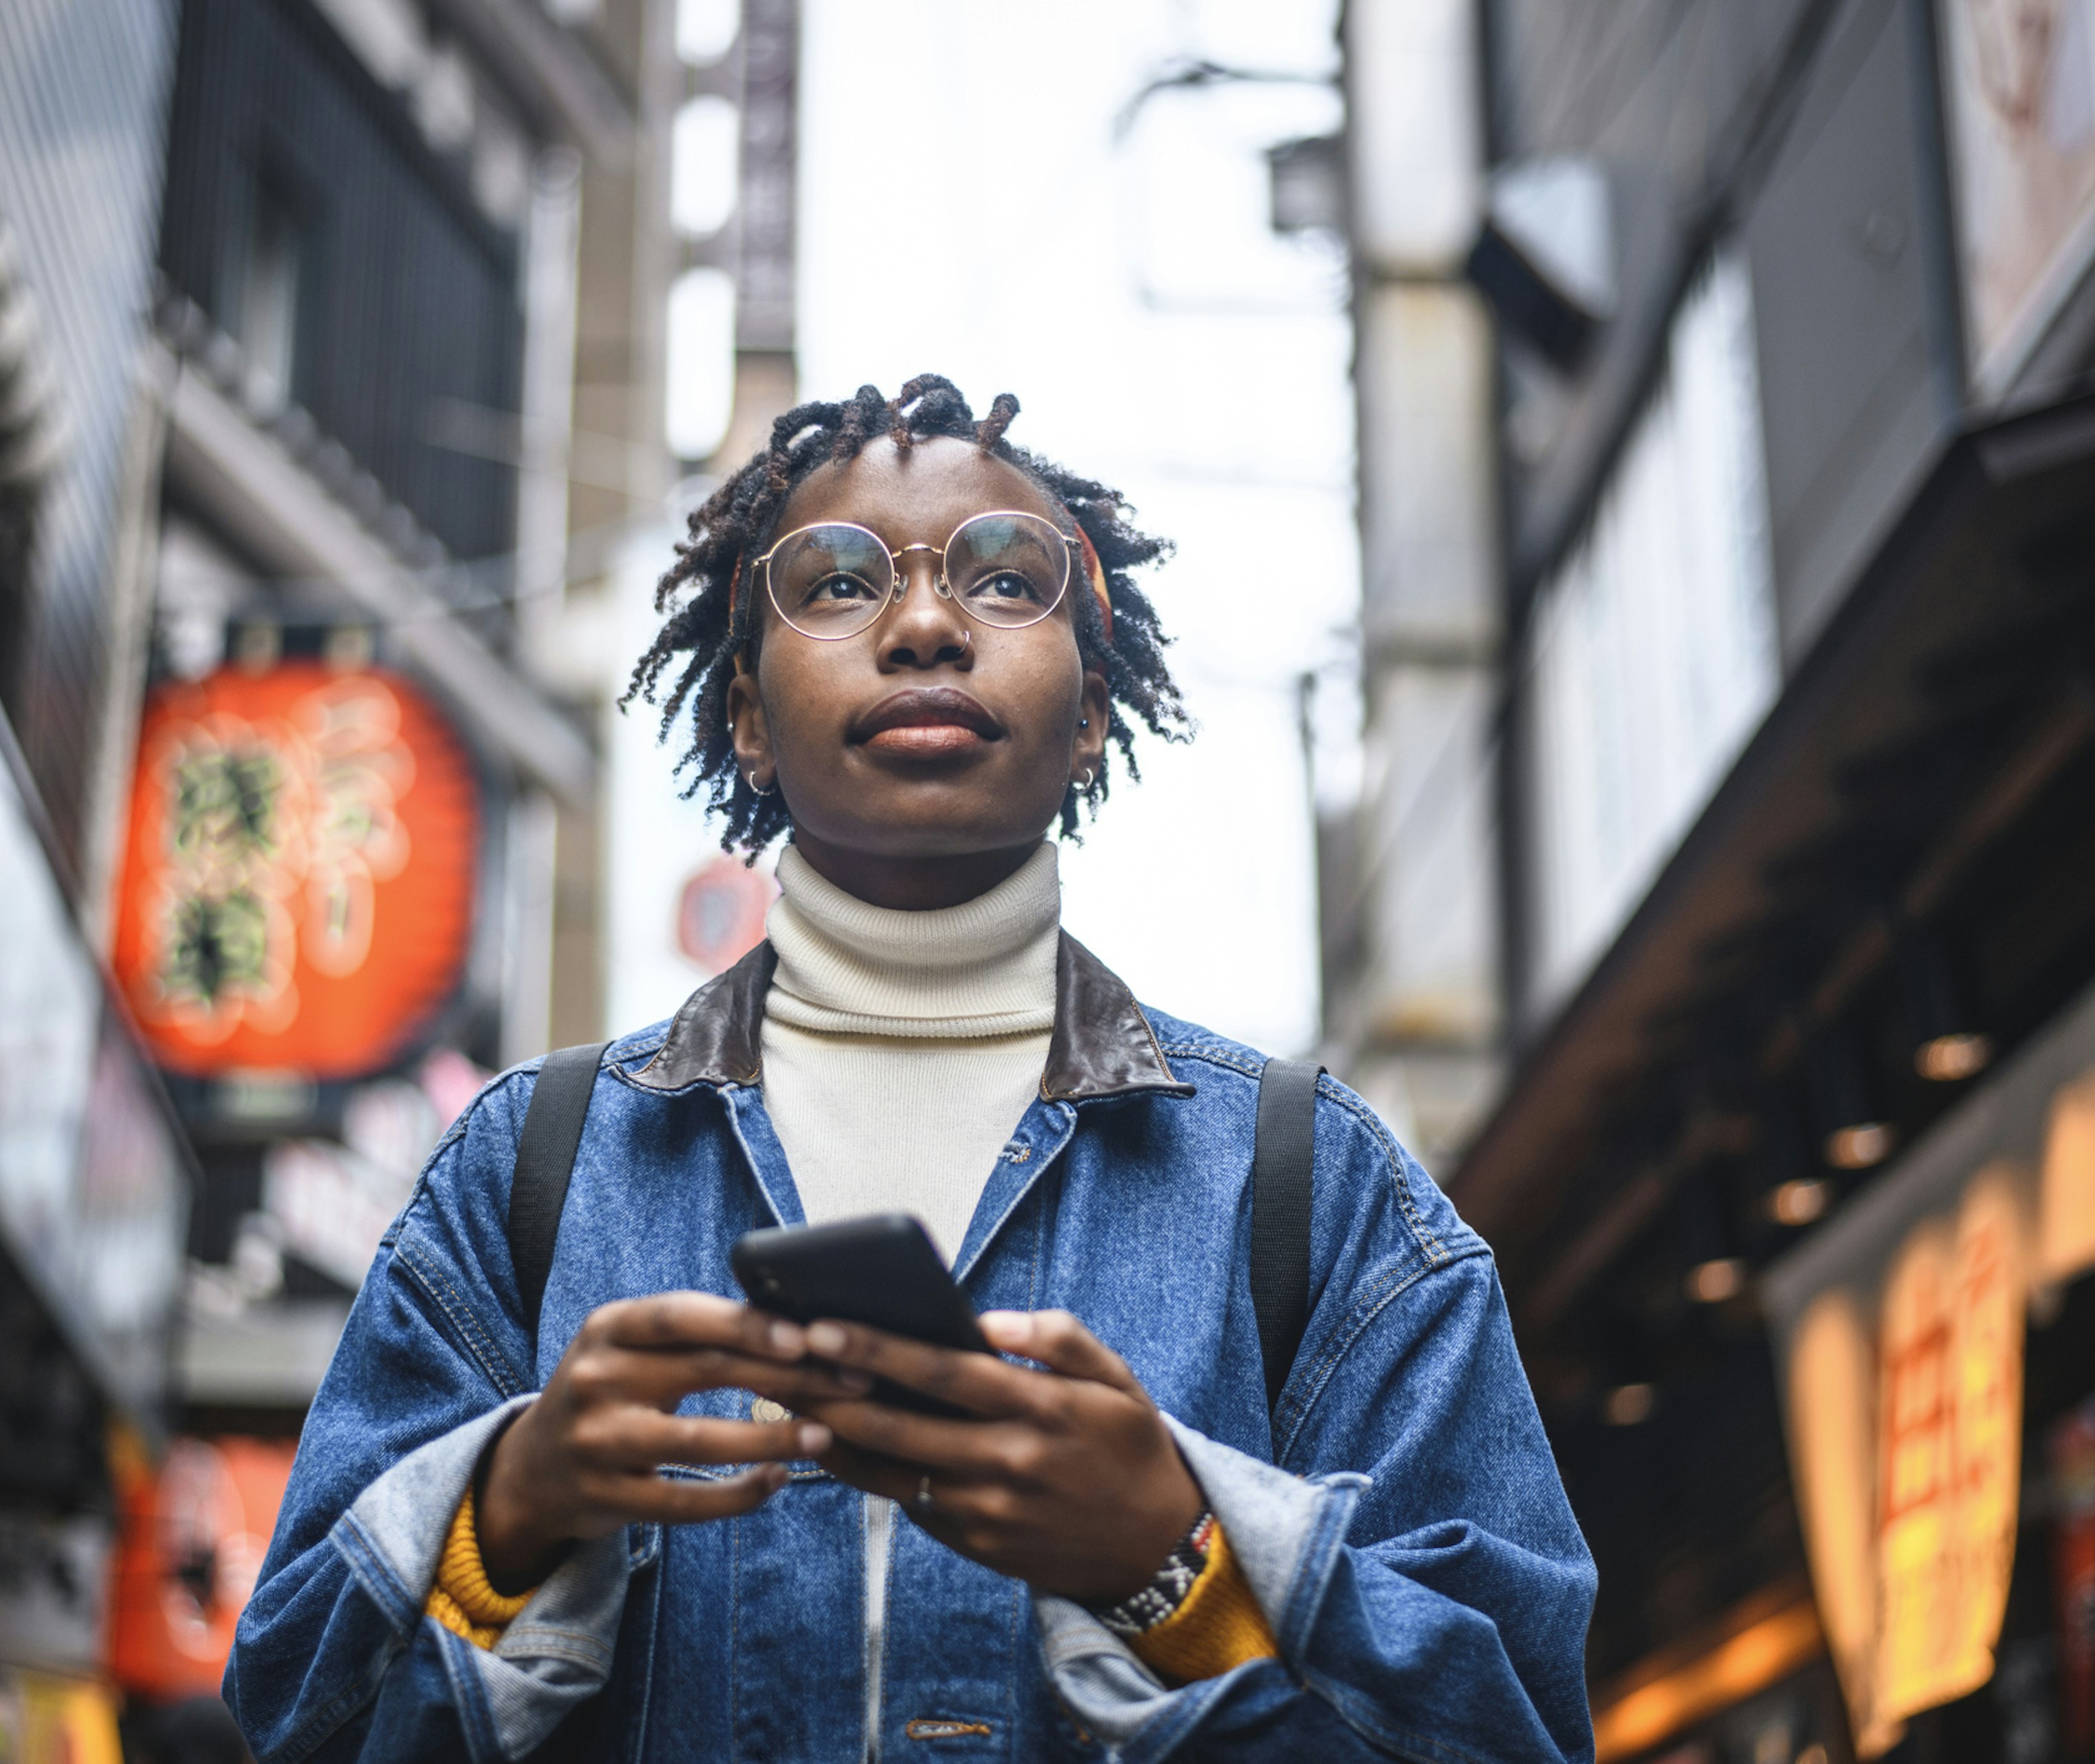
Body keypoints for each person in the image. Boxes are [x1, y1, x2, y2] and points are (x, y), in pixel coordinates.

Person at [225, 377, 1594, 1762]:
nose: (928, 621)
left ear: (1091, 716)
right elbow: (290, 1711)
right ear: (748, 713)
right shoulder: (533, 1166)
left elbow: (1517, 1726)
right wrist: (504, 1512)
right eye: (835, 580)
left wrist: (1177, 1564)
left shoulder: (1312, 1186)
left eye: (1008, 580)